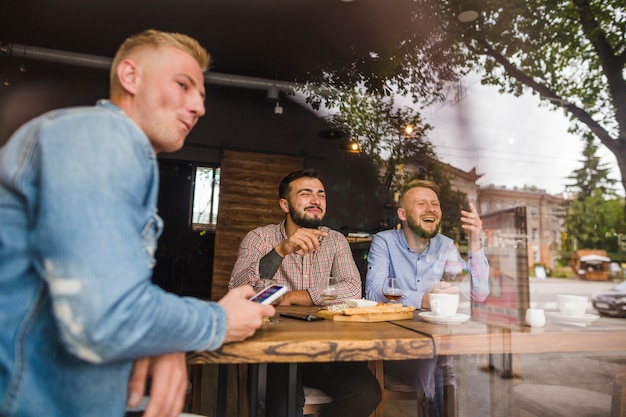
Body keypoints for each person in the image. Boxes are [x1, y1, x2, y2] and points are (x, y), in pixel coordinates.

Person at [0, 29, 274, 417]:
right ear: (130, 77)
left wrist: (164, 340)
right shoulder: (101, 136)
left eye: (201, 95)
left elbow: (109, 306)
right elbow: (105, 318)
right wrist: (219, 320)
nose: (199, 107)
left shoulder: (114, 146)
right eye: (183, 85)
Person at [229, 168, 381, 417]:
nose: (316, 199)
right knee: (282, 406)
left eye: (321, 194)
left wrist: (289, 296)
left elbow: (352, 288)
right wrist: (280, 251)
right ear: (284, 204)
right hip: (276, 349)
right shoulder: (259, 238)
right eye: (306, 193)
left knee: (366, 393)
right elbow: (238, 290)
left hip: (325, 350)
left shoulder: (335, 241)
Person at [366, 179, 490, 417]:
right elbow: (373, 292)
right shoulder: (385, 241)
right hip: (396, 346)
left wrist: (474, 241)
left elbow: (478, 292)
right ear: (402, 213)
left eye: (435, 204)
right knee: (441, 364)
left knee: (444, 361)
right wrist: (426, 299)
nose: (431, 208)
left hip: (438, 345)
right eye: (422, 204)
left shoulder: (445, 246)